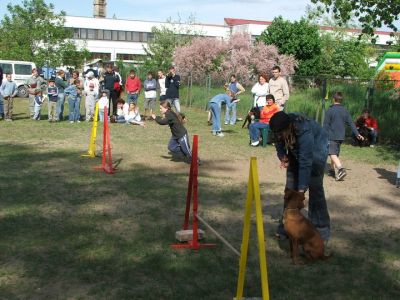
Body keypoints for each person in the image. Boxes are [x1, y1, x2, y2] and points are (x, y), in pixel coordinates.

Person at [269, 111, 331, 246]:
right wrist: (282, 156)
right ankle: (286, 228)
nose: (278, 136)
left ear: (288, 128)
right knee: (290, 190)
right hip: (296, 149)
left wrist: (302, 190)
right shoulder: (280, 129)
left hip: (317, 149)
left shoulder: (304, 131)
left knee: (315, 189)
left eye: (280, 133)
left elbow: (306, 162)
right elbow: (278, 141)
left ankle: (321, 231)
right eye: (276, 133)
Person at [323, 92, 364, 181]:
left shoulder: (330, 110)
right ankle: (331, 170)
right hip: (341, 136)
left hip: (332, 135)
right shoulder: (345, 110)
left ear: (333, 99)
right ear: (341, 100)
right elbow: (351, 123)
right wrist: (357, 134)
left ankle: (341, 169)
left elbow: (326, 125)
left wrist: (322, 135)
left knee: (332, 153)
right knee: (335, 153)